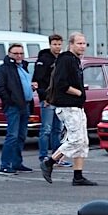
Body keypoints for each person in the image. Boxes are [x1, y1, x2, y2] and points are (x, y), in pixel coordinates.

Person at [40, 32, 97, 186]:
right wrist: (78, 92)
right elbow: (61, 83)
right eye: (79, 43)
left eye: (84, 43)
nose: (82, 46)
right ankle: (49, 162)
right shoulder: (65, 59)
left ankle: (78, 176)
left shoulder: (74, 60)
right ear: (71, 44)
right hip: (68, 106)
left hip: (76, 106)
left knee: (83, 141)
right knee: (76, 139)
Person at [0, 43, 35, 175]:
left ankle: (17, 163)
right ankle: (5, 165)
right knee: (12, 136)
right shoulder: (2, 70)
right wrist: (10, 101)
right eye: (16, 53)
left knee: (21, 136)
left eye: (21, 53)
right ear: (9, 54)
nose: (19, 56)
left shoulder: (24, 67)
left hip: (25, 105)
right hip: (13, 107)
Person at [32, 33, 67, 167]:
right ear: (50, 44)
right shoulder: (44, 59)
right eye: (54, 44)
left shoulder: (61, 59)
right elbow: (37, 81)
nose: (57, 47)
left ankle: (56, 157)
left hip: (59, 99)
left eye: (59, 44)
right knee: (46, 129)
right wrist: (44, 97)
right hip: (47, 99)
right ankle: (43, 157)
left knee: (57, 129)